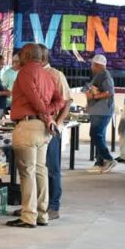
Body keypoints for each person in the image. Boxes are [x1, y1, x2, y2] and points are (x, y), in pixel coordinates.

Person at [8, 43, 63, 228]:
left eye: (21, 54)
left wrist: (45, 113)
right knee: (40, 170)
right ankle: (42, 214)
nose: (18, 58)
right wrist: (49, 114)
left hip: (28, 126)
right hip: (42, 129)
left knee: (27, 172)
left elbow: (34, 99)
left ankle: (28, 216)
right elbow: (60, 100)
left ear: (27, 55)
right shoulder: (48, 75)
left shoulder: (25, 72)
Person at [42, 47, 72, 220]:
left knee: (52, 168)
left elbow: (66, 101)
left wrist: (57, 123)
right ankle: (36, 205)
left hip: (51, 128)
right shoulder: (28, 74)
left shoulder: (56, 75)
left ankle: (53, 206)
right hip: (34, 127)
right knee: (36, 169)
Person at [84, 54, 116, 173]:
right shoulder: (99, 76)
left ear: (97, 65)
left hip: (102, 111)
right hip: (97, 110)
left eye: (92, 64)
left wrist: (94, 97)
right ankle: (99, 162)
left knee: (95, 134)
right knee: (99, 136)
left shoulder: (105, 76)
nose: (91, 67)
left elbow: (109, 92)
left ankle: (108, 159)